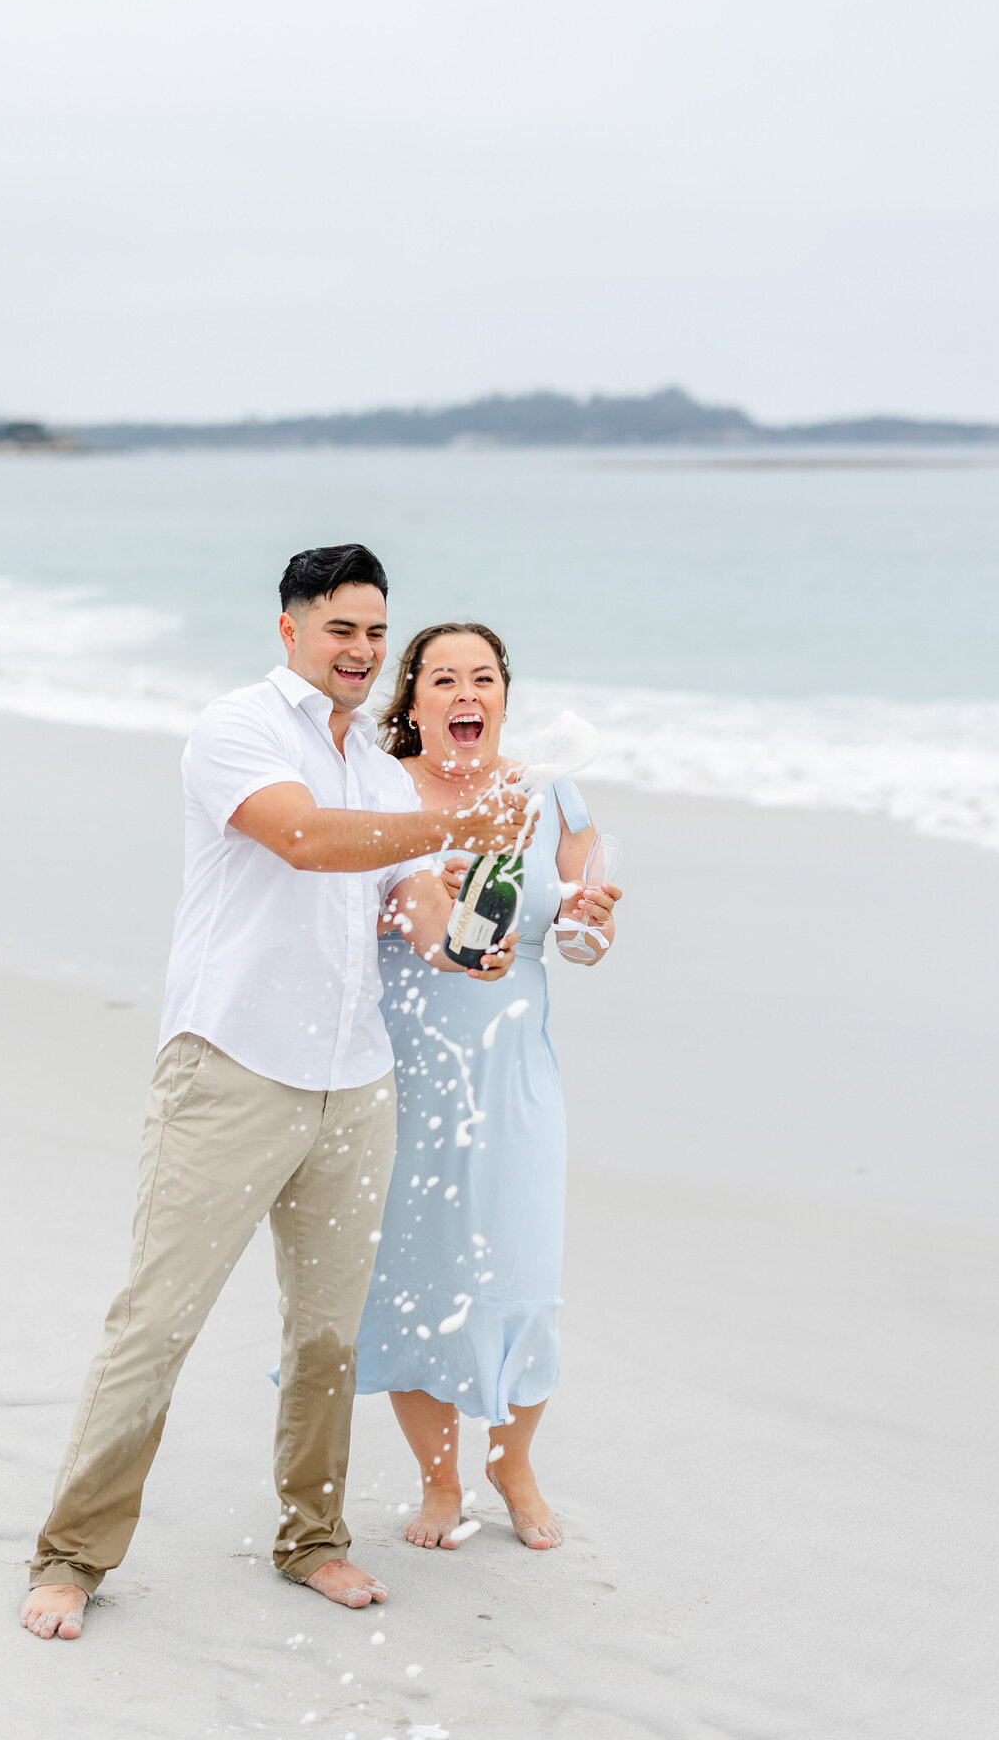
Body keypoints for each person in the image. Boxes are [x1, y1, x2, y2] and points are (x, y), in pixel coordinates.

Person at [20, 550, 534, 1640]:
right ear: (293, 627)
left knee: (327, 1338)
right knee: (156, 1324)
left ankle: (314, 1540)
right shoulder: (237, 728)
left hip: (356, 1084)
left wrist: (467, 948)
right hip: (233, 1069)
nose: (360, 650)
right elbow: (302, 841)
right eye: (340, 628)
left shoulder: (386, 774)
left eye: (374, 632)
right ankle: (69, 1557)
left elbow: (414, 909)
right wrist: (454, 829)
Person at [356, 621, 621, 1551]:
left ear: (504, 695)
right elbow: (396, 910)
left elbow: (584, 943)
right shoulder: (384, 794)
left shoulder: (553, 795)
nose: (466, 695)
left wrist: (590, 918)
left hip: (517, 1080)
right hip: (407, 1076)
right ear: (414, 699)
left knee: (520, 1267)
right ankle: (439, 1485)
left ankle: (512, 1462)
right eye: (444, 680)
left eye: (484, 679)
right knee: (418, 1276)